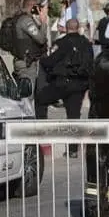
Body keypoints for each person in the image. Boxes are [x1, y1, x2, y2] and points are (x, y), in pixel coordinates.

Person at [37, 19, 94, 158]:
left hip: (62, 83)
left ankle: (41, 136)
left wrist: (41, 59)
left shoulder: (61, 43)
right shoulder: (86, 44)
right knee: (73, 115)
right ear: (78, 28)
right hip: (80, 85)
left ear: (66, 28)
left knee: (40, 100)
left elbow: (49, 61)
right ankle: (73, 150)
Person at [14, 0, 49, 106]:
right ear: (33, 6)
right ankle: (25, 122)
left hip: (25, 62)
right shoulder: (26, 21)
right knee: (27, 100)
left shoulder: (23, 18)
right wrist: (44, 22)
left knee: (26, 98)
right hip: (26, 65)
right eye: (38, 6)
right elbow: (41, 39)